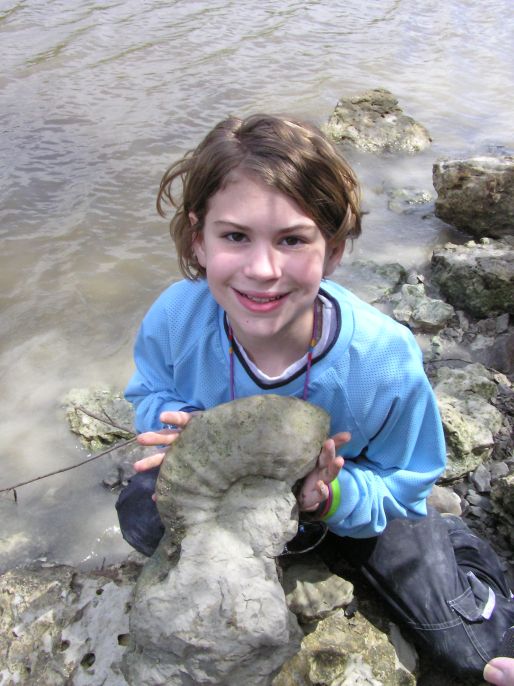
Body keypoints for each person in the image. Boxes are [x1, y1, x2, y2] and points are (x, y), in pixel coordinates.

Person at [116, 113, 513, 678]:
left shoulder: (382, 358)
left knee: (470, 653)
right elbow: (151, 388)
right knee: (140, 515)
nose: (262, 269)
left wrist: (330, 498)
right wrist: (183, 428)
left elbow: (410, 476)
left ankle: (459, 546)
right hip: (231, 493)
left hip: (351, 500)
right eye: (234, 236)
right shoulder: (178, 317)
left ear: (332, 250)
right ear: (198, 238)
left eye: (293, 240)